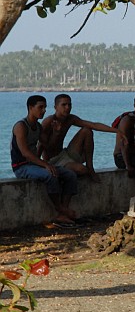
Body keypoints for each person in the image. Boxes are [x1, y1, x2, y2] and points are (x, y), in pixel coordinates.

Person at [12, 95, 79, 226]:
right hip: (21, 167)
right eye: (40, 107)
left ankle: (62, 214)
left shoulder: (38, 126)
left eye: (45, 108)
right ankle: (60, 208)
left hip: (34, 164)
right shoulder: (20, 126)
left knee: (70, 175)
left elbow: (48, 146)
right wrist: (45, 165)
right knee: (50, 175)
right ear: (31, 108)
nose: (43, 111)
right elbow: (25, 153)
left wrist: (56, 132)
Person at [41, 93, 126, 182]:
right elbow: (41, 144)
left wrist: (117, 131)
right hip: (53, 161)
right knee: (82, 170)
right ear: (56, 107)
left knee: (87, 130)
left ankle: (90, 167)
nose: (67, 107)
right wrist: (42, 165)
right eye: (64, 105)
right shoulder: (49, 121)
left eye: (69, 105)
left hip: (64, 154)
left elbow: (93, 125)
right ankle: (74, 168)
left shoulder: (70, 118)